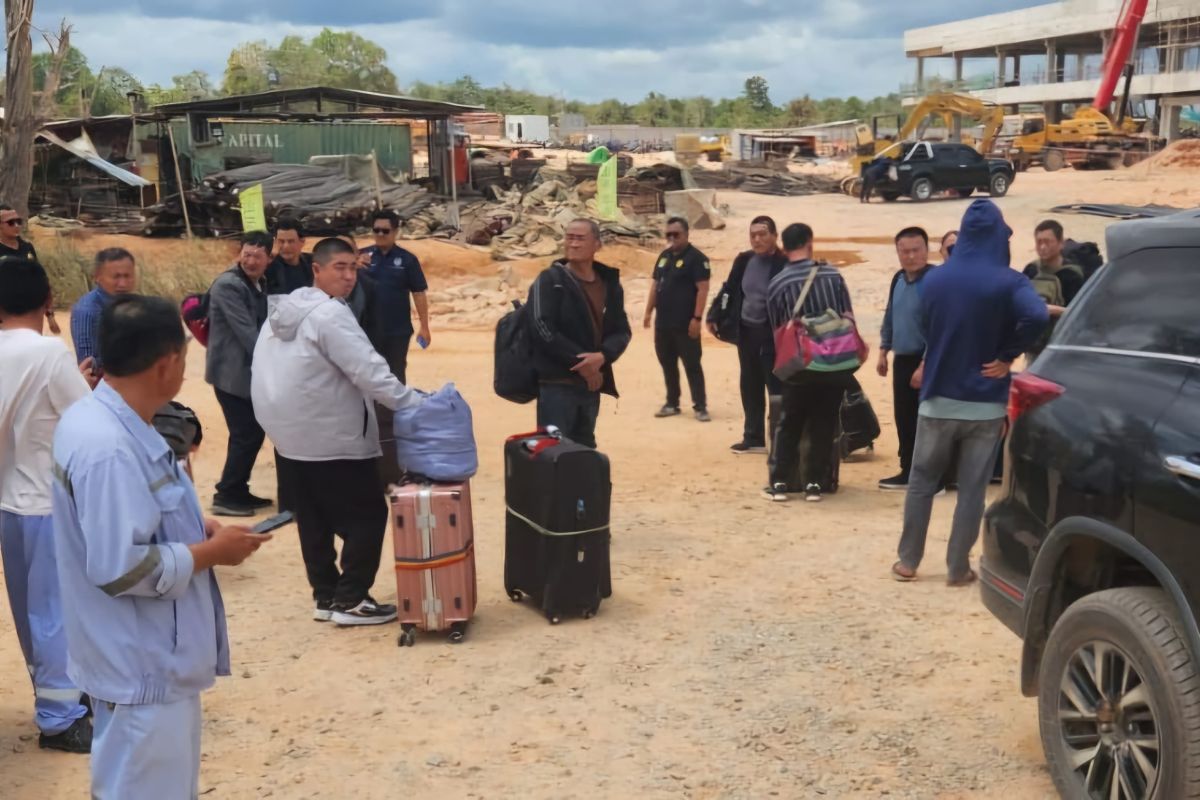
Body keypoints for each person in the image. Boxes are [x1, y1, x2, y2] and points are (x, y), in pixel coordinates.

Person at [52, 294, 270, 798]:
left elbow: (136, 517)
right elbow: (118, 566)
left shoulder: (108, 419)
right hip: (141, 663)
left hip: (142, 657)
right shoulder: (108, 447)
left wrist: (195, 526)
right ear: (167, 363)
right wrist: (210, 554)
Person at [252, 238, 423, 625]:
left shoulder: (282, 312)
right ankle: (351, 599)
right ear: (317, 269)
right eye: (339, 268)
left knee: (314, 519)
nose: (348, 277)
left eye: (353, 268)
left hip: (290, 438)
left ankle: (326, 595)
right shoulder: (330, 315)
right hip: (333, 436)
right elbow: (369, 371)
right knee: (369, 514)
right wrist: (413, 403)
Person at [892, 200, 1048, 586]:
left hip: (937, 399)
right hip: (984, 404)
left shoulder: (935, 280)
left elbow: (925, 325)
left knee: (921, 483)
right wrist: (1007, 355)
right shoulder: (1009, 281)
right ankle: (957, 568)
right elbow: (1037, 315)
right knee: (972, 490)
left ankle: (908, 562)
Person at [0, 258, 95, 753]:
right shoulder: (48, 353)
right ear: (47, 300)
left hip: (10, 504)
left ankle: (55, 697)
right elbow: (86, 421)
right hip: (48, 503)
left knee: (30, 612)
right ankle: (61, 718)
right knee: (57, 611)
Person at [762, 223, 859, 503]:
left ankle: (780, 482)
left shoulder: (778, 283)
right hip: (834, 361)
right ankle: (814, 484)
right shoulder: (832, 275)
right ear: (809, 242)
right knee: (824, 422)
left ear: (784, 246)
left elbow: (777, 327)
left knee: (790, 421)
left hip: (799, 362)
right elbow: (848, 316)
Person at [529, 218, 631, 449]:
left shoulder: (609, 284)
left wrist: (602, 357)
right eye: (570, 238)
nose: (573, 244)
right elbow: (541, 327)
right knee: (552, 452)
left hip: (591, 385)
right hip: (556, 384)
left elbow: (621, 330)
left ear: (597, 244)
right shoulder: (550, 280)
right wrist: (582, 364)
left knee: (583, 452)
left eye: (580, 239)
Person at [205, 231, 272, 516]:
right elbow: (248, 333)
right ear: (239, 254)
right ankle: (226, 495)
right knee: (246, 433)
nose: (251, 261)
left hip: (246, 375)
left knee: (250, 433)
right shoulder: (228, 286)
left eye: (257, 256)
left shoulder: (259, 283)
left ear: (269, 259)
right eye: (247, 254)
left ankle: (237, 489)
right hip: (230, 375)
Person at [711, 216, 787, 454]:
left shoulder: (785, 263)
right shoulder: (744, 260)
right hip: (746, 332)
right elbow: (729, 289)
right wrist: (714, 314)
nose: (757, 239)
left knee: (776, 388)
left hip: (772, 336)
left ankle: (780, 440)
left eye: (762, 234)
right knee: (750, 384)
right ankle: (753, 437)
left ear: (775, 236)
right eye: (753, 235)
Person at [876, 227, 936, 491]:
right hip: (902, 359)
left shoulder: (935, 281)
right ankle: (907, 469)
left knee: (927, 420)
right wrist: (883, 350)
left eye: (916, 250)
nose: (911, 256)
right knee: (904, 416)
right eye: (905, 251)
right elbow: (891, 314)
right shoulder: (898, 279)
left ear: (926, 250)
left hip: (928, 361)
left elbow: (939, 327)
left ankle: (931, 475)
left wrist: (924, 364)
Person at [644, 216, 711, 422]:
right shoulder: (664, 256)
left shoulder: (697, 259)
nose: (672, 238)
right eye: (668, 234)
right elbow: (656, 285)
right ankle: (672, 403)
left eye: (676, 234)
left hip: (685, 323)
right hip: (663, 323)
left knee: (692, 365)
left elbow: (703, 289)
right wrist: (648, 312)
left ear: (687, 234)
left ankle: (700, 406)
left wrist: (697, 318)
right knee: (668, 363)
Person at [358, 210, 431, 383]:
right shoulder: (360, 257)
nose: (380, 234)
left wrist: (424, 326)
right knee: (366, 375)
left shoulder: (408, 260)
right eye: (376, 230)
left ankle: (396, 402)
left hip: (397, 330)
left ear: (396, 232)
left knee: (396, 374)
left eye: (385, 231)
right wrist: (354, 266)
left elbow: (419, 293)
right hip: (365, 329)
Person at [1022, 219, 1085, 359]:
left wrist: (1052, 310)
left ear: (1061, 243)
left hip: (1061, 346)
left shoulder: (1071, 275)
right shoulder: (1031, 270)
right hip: (1033, 345)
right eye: (1039, 242)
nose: (1042, 247)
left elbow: (1080, 313)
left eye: (1047, 242)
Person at [70, 247, 137, 373]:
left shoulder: (135, 305)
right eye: (116, 277)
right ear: (97, 277)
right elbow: (89, 366)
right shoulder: (88, 311)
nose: (123, 284)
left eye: (127, 276)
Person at [1, 203, 60, 333]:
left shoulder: (27, 248)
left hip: (30, 314)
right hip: (5, 314)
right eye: (11, 223)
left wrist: (50, 315)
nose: (16, 226)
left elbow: (41, 281)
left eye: (18, 221)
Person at [264, 218, 313, 296]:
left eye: (291, 241)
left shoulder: (313, 263)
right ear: (275, 242)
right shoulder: (268, 269)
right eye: (281, 241)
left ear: (302, 241)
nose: (286, 246)